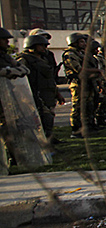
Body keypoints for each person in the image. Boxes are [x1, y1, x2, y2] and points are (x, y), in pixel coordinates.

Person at [17, 35, 61, 141]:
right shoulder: (24, 59)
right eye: (41, 46)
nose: (44, 48)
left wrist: (57, 94)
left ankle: (49, 138)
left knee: (49, 116)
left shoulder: (42, 60)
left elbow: (49, 78)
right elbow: (19, 78)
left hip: (47, 93)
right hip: (34, 93)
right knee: (44, 117)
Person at [0, 27, 30, 173]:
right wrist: (7, 72)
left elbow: (23, 68)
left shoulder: (5, 57)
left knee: (9, 130)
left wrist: (14, 71)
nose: (7, 42)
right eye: (4, 39)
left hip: (6, 99)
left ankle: (13, 159)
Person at [62, 33, 102, 138]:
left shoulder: (81, 54)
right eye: (81, 41)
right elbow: (79, 69)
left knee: (89, 105)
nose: (84, 43)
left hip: (87, 82)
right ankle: (76, 130)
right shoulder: (70, 54)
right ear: (74, 42)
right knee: (78, 106)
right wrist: (97, 71)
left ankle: (88, 126)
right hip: (78, 83)